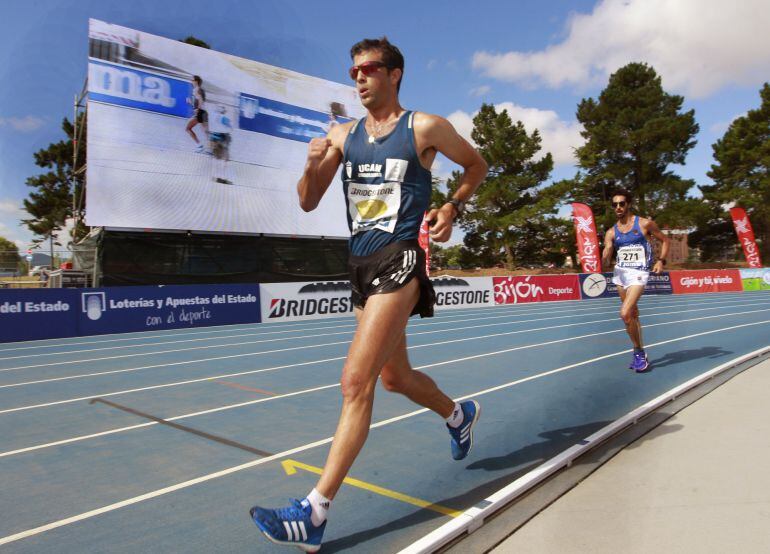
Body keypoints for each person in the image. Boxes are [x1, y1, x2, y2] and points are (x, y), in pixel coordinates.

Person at [249, 37, 488, 552]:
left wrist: (450, 208)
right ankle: (457, 414)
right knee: (393, 376)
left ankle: (314, 511)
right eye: (354, 71)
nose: (359, 78)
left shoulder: (424, 127)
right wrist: (312, 164)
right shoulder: (343, 134)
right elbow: (309, 202)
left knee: (355, 382)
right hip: (359, 264)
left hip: (400, 259)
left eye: (370, 69)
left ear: (395, 74)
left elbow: (476, 166)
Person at [601, 189, 670, 372]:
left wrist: (661, 261)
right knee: (631, 316)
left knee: (624, 312)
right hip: (621, 273)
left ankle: (639, 352)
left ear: (628, 204)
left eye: (621, 203)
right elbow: (607, 250)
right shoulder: (611, 232)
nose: (618, 207)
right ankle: (638, 350)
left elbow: (665, 240)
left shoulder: (645, 224)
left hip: (639, 272)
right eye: (614, 204)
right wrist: (605, 256)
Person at [209, 104, 234, 185]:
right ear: (224, 111)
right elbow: (230, 128)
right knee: (225, 159)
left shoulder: (213, 117)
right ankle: (223, 178)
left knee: (215, 158)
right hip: (221, 141)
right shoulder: (224, 118)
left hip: (213, 139)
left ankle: (214, 176)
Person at [186, 75, 209, 153]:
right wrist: (190, 102)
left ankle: (200, 146)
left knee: (188, 128)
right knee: (206, 132)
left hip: (200, 112)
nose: (191, 81)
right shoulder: (199, 90)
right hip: (203, 112)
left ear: (196, 81)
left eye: (192, 80)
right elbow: (198, 102)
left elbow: (201, 101)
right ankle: (211, 149)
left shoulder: (197, 90)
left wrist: (197, 110)